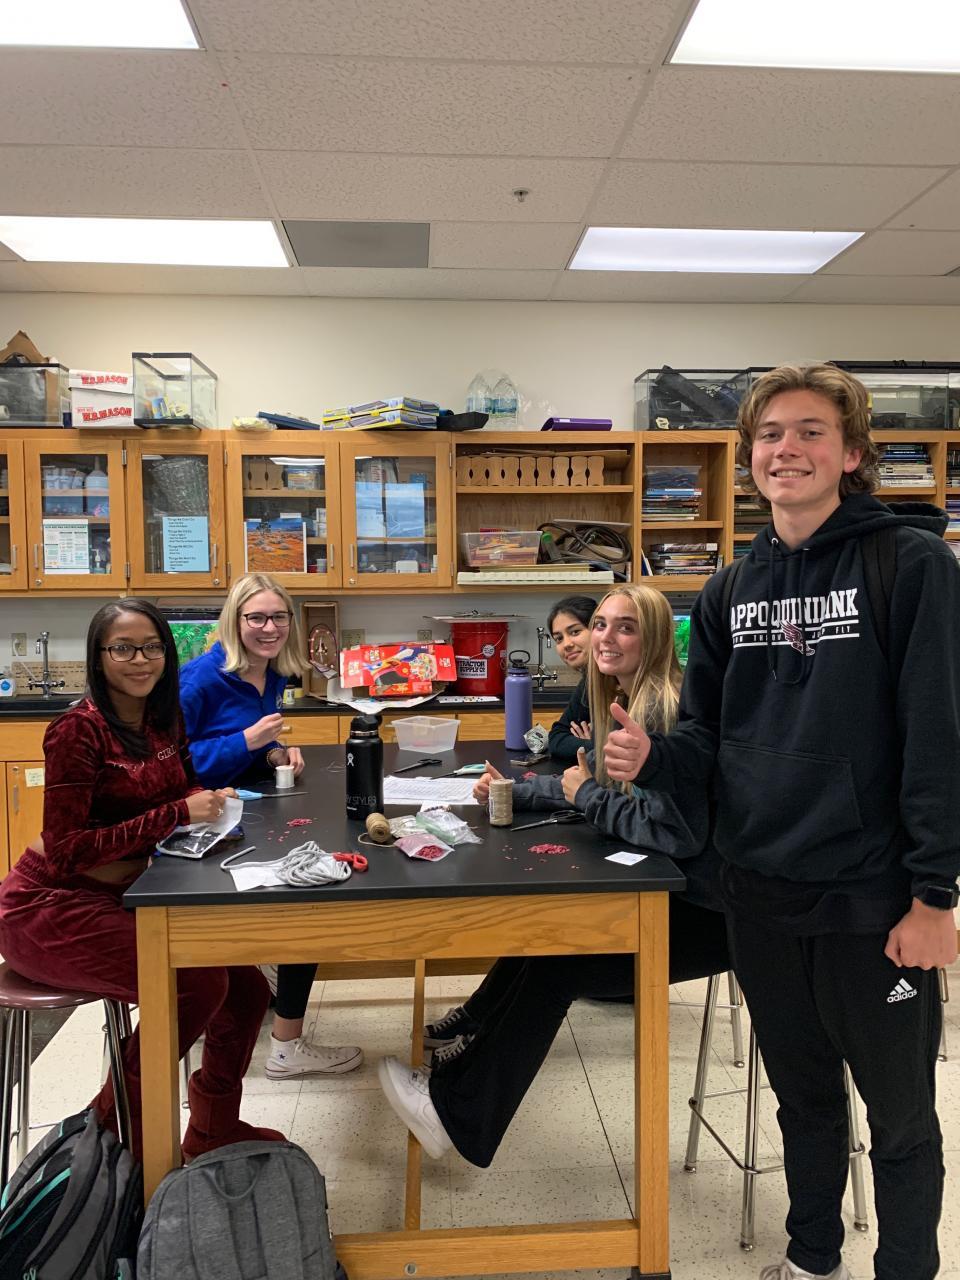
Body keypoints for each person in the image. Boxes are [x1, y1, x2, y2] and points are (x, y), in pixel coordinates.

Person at [602, 365, 960, 1280]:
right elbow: (709, 737)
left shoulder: (911, 564)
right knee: (802, 1100)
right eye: (769, 434)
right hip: (758, 892)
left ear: (852, 454)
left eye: (809, 431)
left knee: (901, 1118)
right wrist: (653, 758)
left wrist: (935, 893)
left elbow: (938, 734)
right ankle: (811, 1259)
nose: (786, 449)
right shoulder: (730, 588)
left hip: (871, 901)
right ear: (749, 457)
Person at [377, 584, 729, 1168]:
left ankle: (456, 1112)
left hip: (708, 913)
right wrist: (519, 791)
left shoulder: (662, 709)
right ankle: (467, 1049)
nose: (605, 638)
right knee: (545, 938)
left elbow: (675, 833)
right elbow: (589, 784)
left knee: (559, 963)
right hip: (671, 890)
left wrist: (587, 795)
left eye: (625, 627)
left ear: (655, 639)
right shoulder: (622, 696)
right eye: (602, 624)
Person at [0, 599, 283, 1161]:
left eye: (152, 647)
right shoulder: (77, 731)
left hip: (125, 894)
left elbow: (180, 788)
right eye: (123, 648)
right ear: (99, 656)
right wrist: (177, 814)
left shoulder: (163, 718)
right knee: (199, 985)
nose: (140, 660)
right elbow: (67, 850)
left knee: (247, 990)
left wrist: (210, 801)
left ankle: (213, 1128)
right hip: (49, 906)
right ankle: (109, 1143)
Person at [180, 572, 362, 1081]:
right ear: (234, 621)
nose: (269, 627)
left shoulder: (272, 672)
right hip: (204, 825)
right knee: (305, 912)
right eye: (256, 617)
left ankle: (266, 995)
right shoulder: (199, 680)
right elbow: (172, 765)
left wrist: (275, 752)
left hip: (250, 811)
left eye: (279, 617)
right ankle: (284, 1045)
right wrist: (248, 741)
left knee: (312, 886)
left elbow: (253, 744)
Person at [544, 594, 596, 762]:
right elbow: (557, 738)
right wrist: (592, 746)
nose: (566, 644)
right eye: (559, 638)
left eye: (575, 632)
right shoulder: (589, 682)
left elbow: (625, 752)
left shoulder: (621, 680)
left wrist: (594, 744)